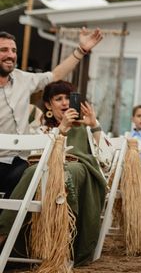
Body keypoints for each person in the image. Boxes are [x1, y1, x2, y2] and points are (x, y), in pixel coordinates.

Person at [0, 80, 108, 266]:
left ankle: (65, 244)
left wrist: (95, 125)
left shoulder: (86, 126)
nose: (65, 103)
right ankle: (5, 235)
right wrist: (61, 130)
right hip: (46, 177)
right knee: (33, 172)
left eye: (68, 98)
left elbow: (106, 161)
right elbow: (36, 158)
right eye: (59, 99)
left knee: (69, 172)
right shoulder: (41, 129)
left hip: (81, 175)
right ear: (49, 105)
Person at [0, 28, 103, 198]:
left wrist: (81, 50)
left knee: (29, 175)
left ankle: (9, 222)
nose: (11, 55)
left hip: (22, 161)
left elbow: (55, 75)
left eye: (14, 50)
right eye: (4, 50)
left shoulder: (23, 79)